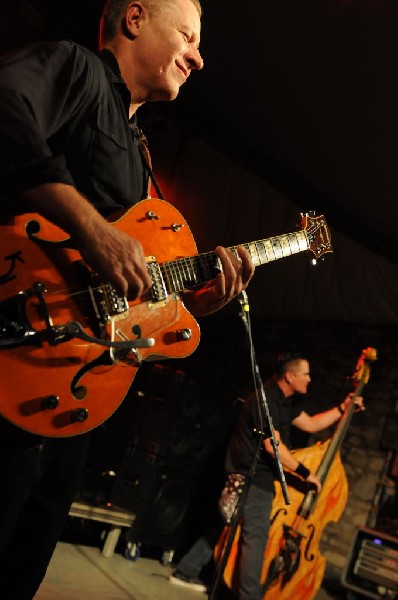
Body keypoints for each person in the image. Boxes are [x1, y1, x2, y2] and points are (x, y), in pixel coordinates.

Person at [0, 1, 255, 598]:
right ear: (135, 18)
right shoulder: (77, 68)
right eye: (188, 35)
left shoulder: (139, 151)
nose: (198, 55)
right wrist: (92, 229)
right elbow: (4, 106)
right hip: (16, 351)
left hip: (69, 394)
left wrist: (192, 304)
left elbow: (118, 294)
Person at [169, 352, 364, 598]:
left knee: (229, 526)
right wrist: (305, 473)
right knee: (256, 540)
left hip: (253, 478)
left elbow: (312, 424)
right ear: (291, 376)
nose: (310, 379)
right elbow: (274, 447)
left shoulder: (283, 401)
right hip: (253, 479)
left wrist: (342, 408)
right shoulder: (266, 402)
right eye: (306, 374)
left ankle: (185, 571)